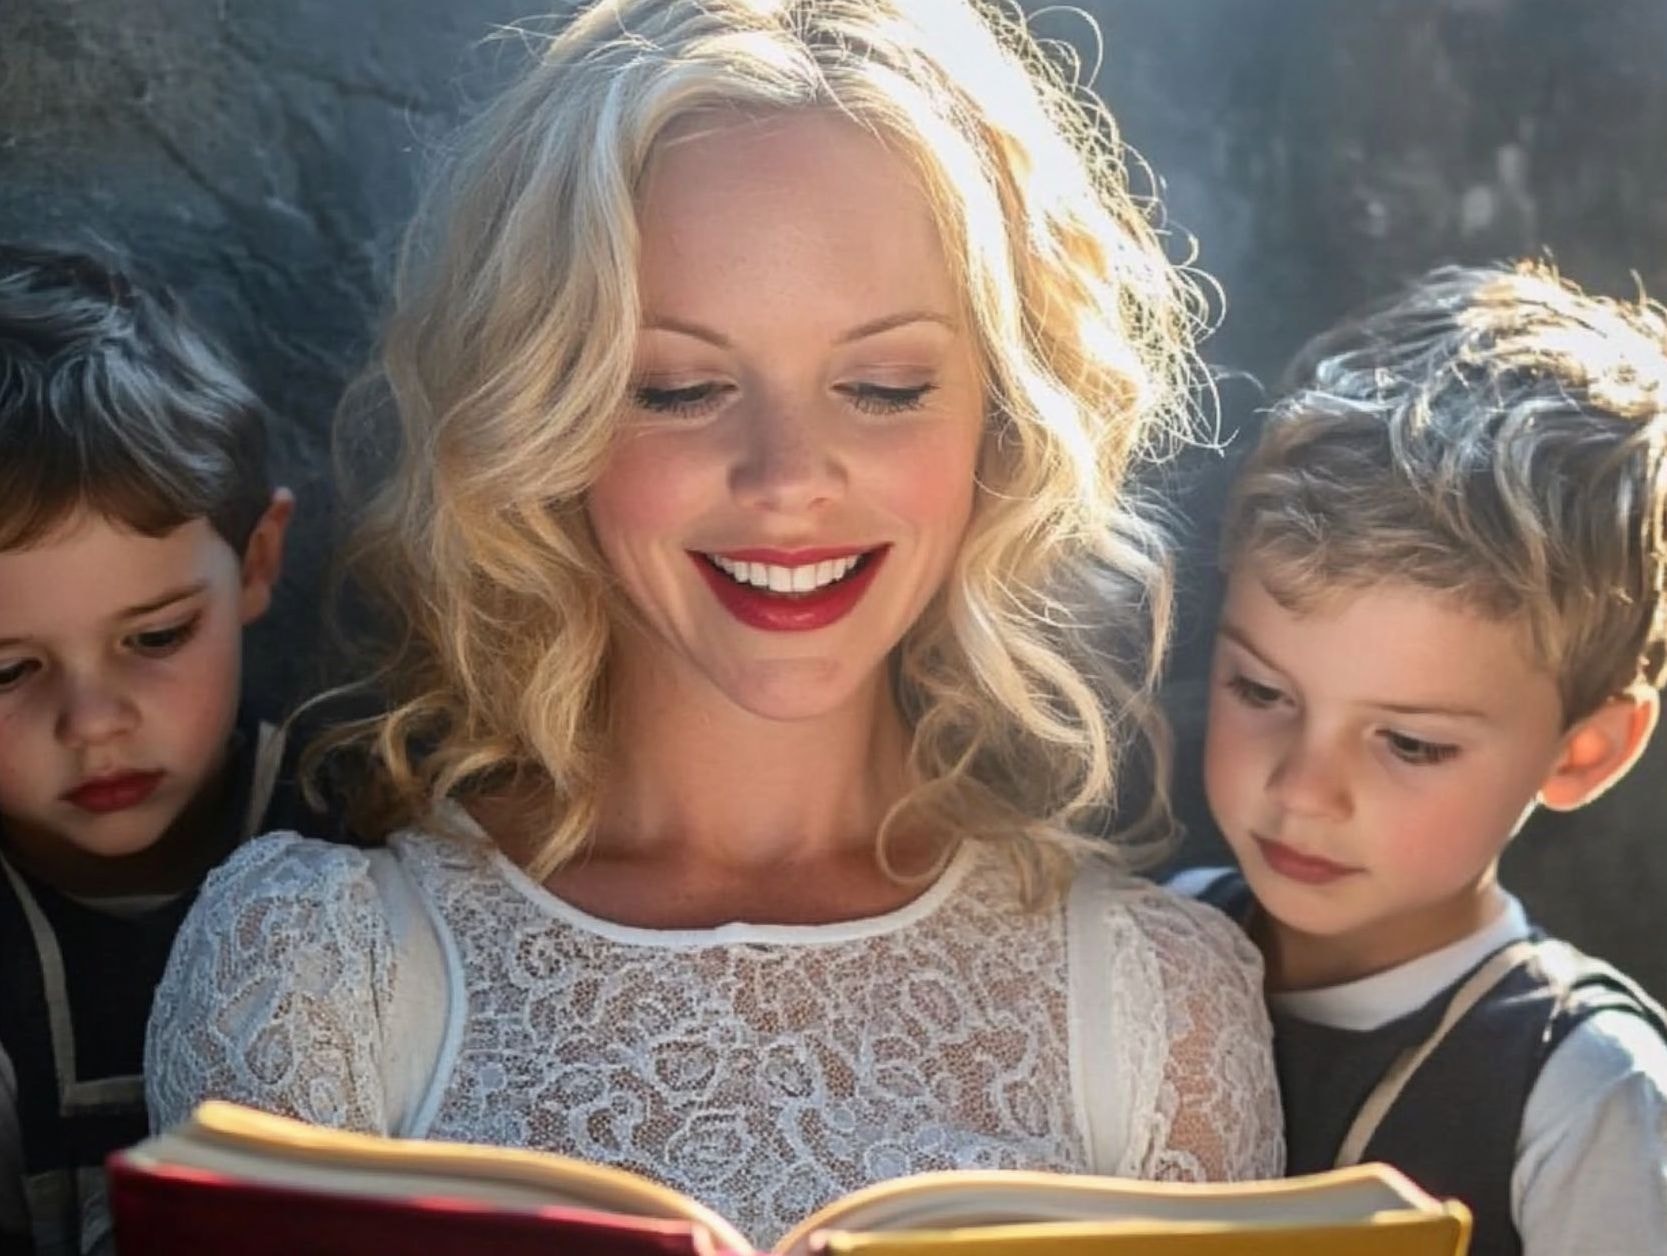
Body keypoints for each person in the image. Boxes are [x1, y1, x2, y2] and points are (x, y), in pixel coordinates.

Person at [145, 1, 1283, 1246]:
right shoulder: (317, 974)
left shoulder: (1161, 1006)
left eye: (881, 387)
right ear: (549, 412)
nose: (786, 478)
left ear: (998, 423)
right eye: (681, 389)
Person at [1173, 262, 1667, 1256]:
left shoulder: (1587, 1092)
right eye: (1261, 693)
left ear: (1583, 751)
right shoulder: (1153, 940)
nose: (1301, 788)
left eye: (1408, 742)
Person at [0, 243, 301, 1254]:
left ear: (257, 559)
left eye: (157, 637)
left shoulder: (375, 825)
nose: (93, 720)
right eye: (7, 671)